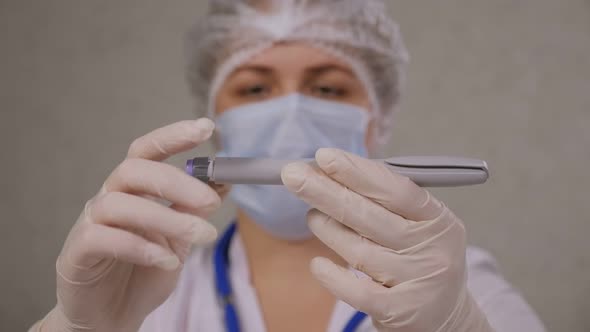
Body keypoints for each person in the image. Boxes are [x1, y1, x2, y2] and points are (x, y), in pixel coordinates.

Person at [30, 1, 546, 331]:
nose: (292, 113)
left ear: (376, 120)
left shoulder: (450, 282)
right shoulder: (146, 288)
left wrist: (459, 326)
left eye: (327, 88)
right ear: (217, 116)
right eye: (255, 88)